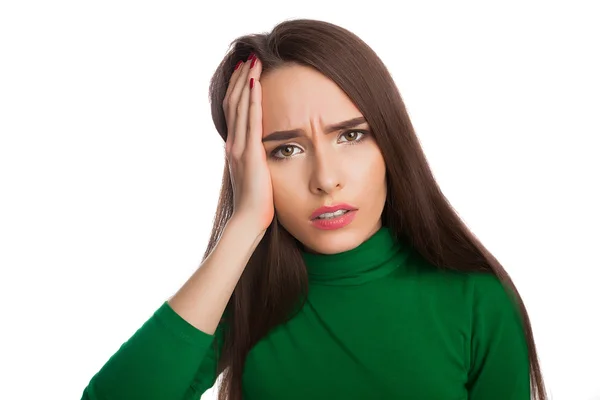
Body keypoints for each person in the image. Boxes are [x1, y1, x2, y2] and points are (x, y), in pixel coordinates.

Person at [81, 18, 547, 400]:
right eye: (285, 150)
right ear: (250, 166)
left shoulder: (475, 300)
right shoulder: (244, 298)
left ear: (391, 143)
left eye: (351, 135)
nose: (326, 179)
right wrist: (243, 226)